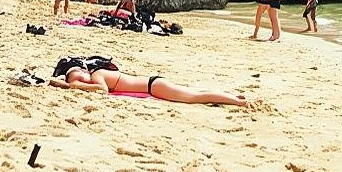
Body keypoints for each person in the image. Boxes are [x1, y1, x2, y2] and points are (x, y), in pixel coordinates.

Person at [51, 65, 247, 106]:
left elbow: (101, 91)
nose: (79, 81)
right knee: (195, 93)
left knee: (194, 97)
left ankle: (237, 102)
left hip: (153, 86)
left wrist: (69, 87)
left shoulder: (97, 74)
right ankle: (234, 98)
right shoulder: (96, 75)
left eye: (78, 78)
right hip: (153, 84)